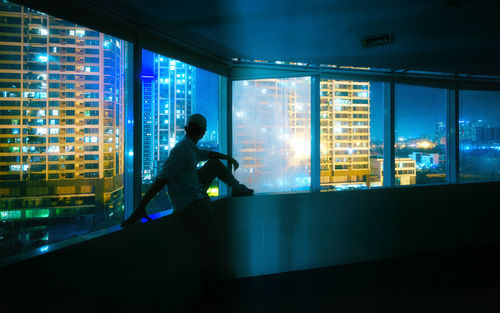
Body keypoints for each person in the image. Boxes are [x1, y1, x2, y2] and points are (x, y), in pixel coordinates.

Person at [121, 113, 253, 289]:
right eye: (201, 130)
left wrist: (227, 158)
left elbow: (206, 154)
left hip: (194, 191)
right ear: (202, 132)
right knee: (214, 238)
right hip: (190, 201)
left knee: (213, 164)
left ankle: (237, 188)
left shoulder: (189, 147)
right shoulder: (182, 150)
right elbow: (162, 179)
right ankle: (212, 282)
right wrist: (140, 207)